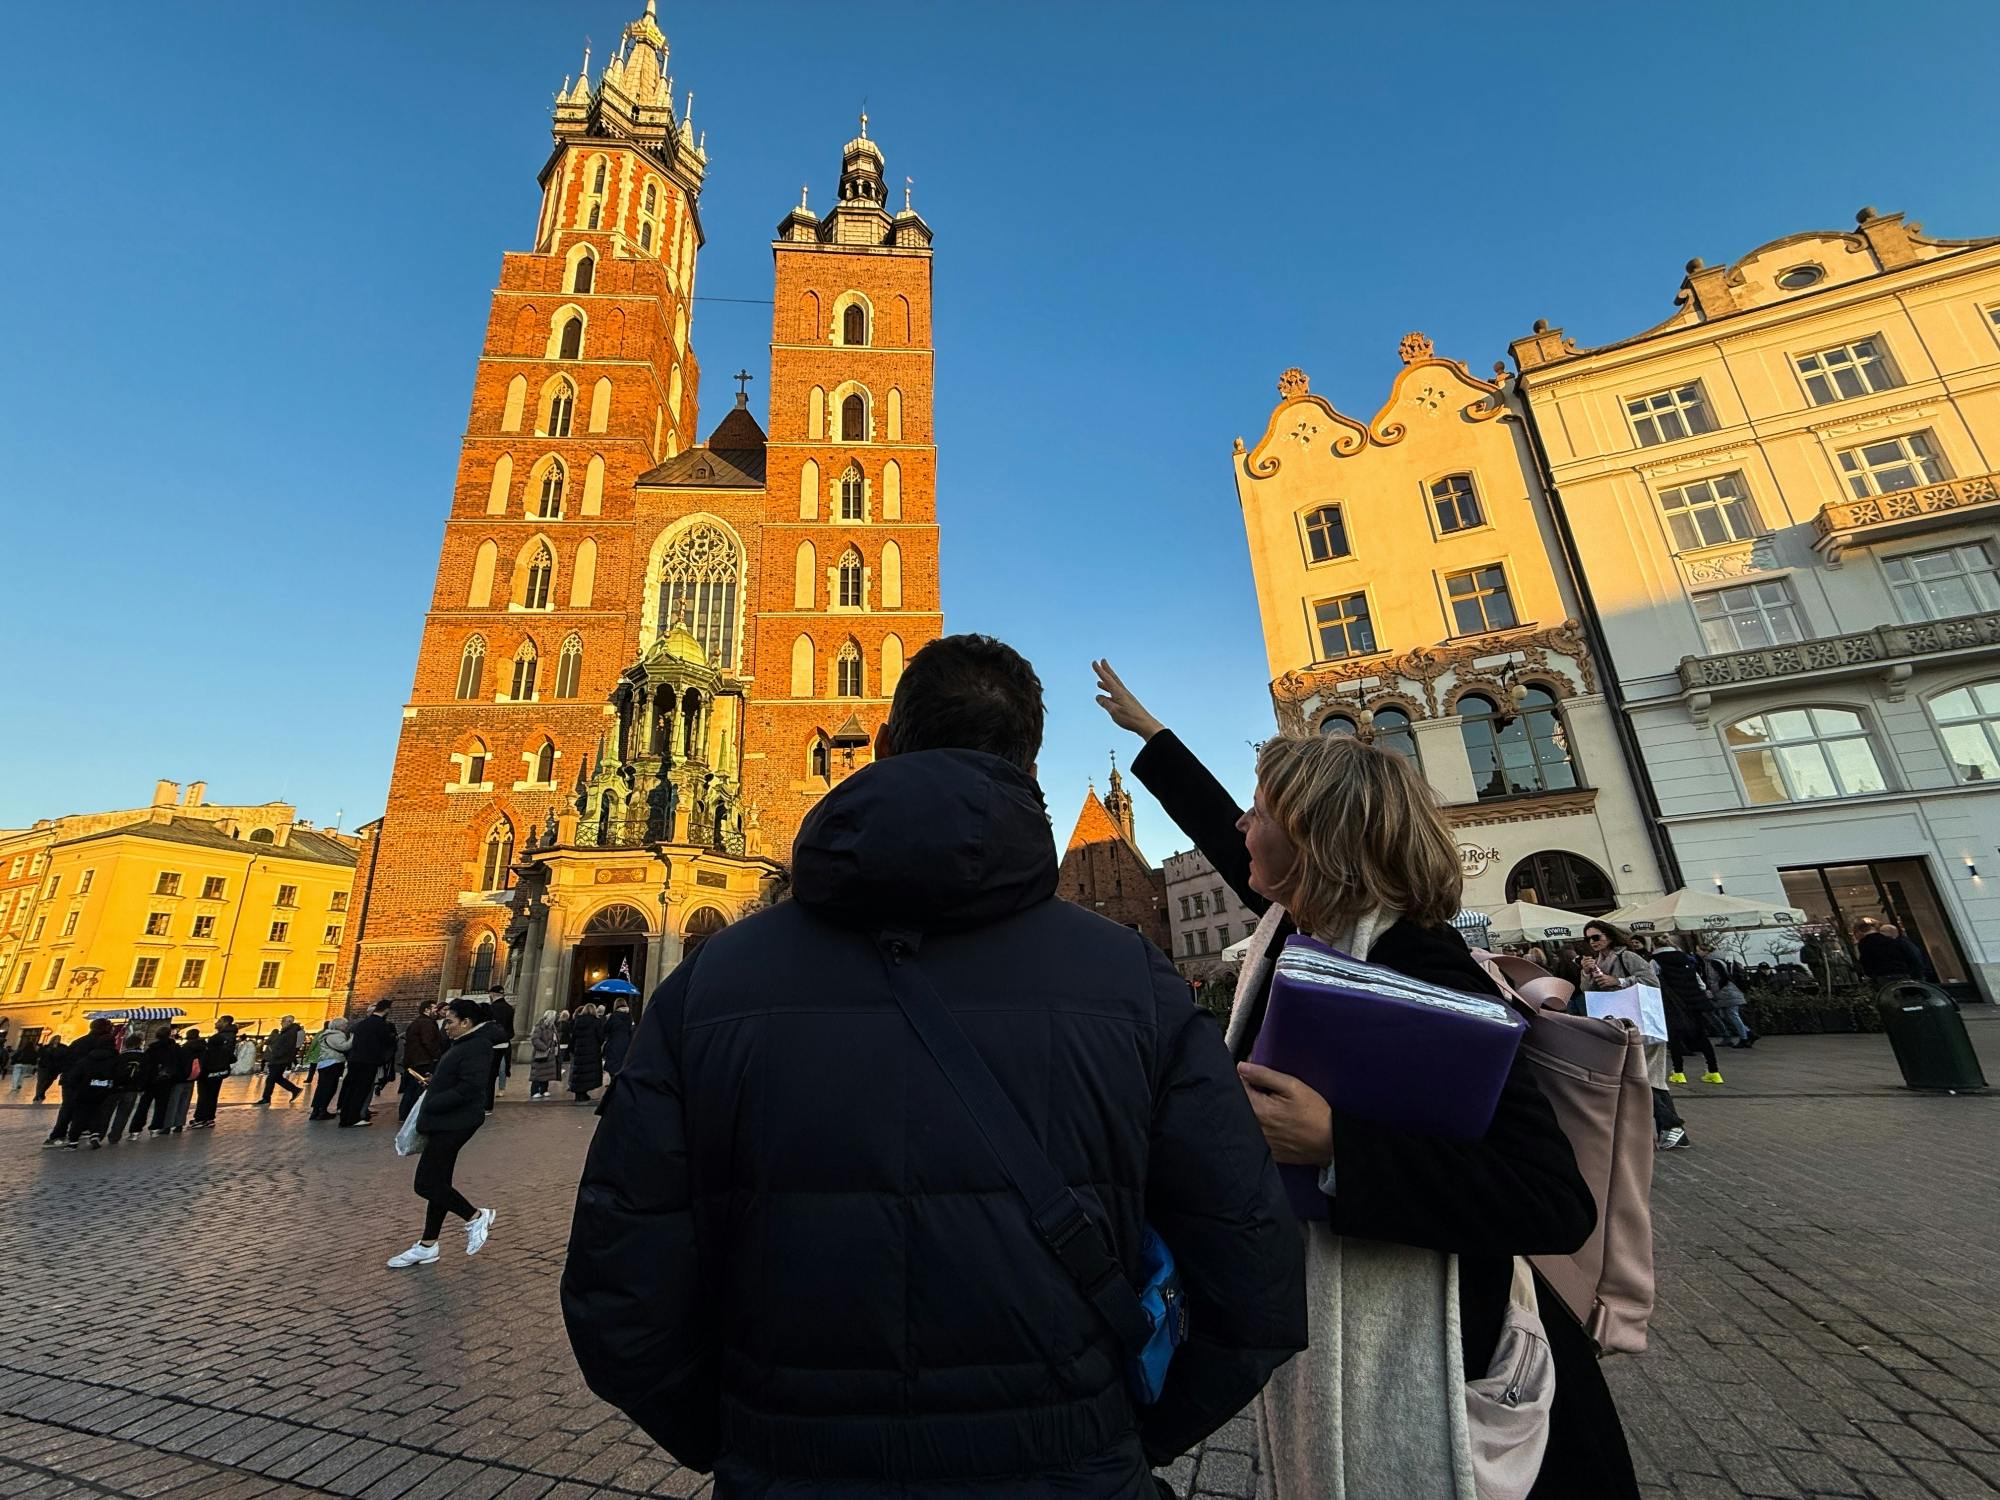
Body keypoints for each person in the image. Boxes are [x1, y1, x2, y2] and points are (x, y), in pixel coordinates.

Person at [563, 635, 1305, 1496]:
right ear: (1028, 763)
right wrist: (1116, 1434)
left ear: (884, 746)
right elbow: (1253, 1278)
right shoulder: (1132, 983)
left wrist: (756, 1441)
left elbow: (619, 1294)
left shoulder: (710, 985)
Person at [1094, 657, 1632, 1500]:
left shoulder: (1419, 960)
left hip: (1450, 1367)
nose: (1241, 829)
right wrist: (1151, 736)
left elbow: (1551, 1199)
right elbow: (1214, 822)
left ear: (1314, 846)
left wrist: (1336, 1144)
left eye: (1263, 815)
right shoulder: (1307, 920)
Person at [386, 996, 499, 1269]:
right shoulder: (464, 1043)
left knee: (425, 1183)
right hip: (448, 1120)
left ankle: (475, 1216)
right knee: (439, 1184)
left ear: (466, 1022)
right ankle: (428, 1244)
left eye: (449, 1021)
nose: (445, 1026)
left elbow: (471, 1086)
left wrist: (435, 1100)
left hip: (454, 1122)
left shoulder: (477, 1046)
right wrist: (436, 1083)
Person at [1651, 937, 1722, 1086]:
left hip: (1672, 1004)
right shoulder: (1686, 959)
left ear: (1653, 945)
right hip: (1695, 1002)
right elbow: (1700, 984)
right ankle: (1714, 1072)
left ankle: (1678, 1072)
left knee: (1675, 1037)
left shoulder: (1655, 961)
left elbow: (1652, 982)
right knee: (1702, 1036)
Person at [44, 1019, 121, 1149]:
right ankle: (59, 1135)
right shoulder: (99, 1044)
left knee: (71, 1107)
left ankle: (68, 1133)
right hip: (83, 1081)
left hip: (73, 1079)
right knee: (75, 1108)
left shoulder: (79, 1041)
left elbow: (67, 1061)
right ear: (105, 1028)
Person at [338, 1000, 397, 1127]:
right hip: (369, 1061)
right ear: (386, 1010)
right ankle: (353, 1118)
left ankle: (345, 1117)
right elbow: (387, 1041)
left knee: (351, 1089)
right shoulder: (381, 1024)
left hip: (355, 1059)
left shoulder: (363, 1023)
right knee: (361, 1089)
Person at [1696, 946, 1754, 1048]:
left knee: (1732, 1015)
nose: (1697, 953)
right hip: (1726, 992)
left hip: (1726, 992)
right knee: (1727, 1015)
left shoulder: (1714, 962)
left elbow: (1724, 977)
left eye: (1699, 950)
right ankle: (1748, 1033)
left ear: (1706, 951)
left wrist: (1715, 989)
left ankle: (1745, 1037)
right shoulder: (1712, 962)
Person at [399, 1000, 445, 1122]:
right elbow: (428, 1041)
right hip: (423, 1060)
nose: (437, 1011)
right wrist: (436, 1056)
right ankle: (412, 1114)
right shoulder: (427, 1023)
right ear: (427, 1010)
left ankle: (405, 1113)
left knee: (411, 1088)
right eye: (434, 1008)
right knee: (418, 1088)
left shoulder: (417, 1022)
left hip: (415, 1060)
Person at [192, 1017, 240, 1128]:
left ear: (225, 1023)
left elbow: (207, 1058)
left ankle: (200, 1118)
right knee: (213, 1095)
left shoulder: (221, 1037)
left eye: (219, 1021)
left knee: (204, 1095)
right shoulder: (230, 1036)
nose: (216, 1023)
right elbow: (232, 1057)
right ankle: (209, 1118)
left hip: (209, 1072)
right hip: (220, 1072)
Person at [139, 1025, 185, 1136]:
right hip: (167, 1081)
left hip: (151, 1081)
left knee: (143, 1106)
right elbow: (180, 1064)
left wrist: (142, 1084)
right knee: (162, 1106)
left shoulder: (152, 1049)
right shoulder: (175, 1048)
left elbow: (145, 1067)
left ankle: (136, 1129)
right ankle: (156, 1127)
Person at [104, 1036, 150, 1144]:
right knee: (123, 1113)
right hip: (132, 1089)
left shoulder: (120, 1056)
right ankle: (115, 1136)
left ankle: (99, 1133)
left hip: (116, 1088)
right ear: (139, 1044)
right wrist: (141, 1087)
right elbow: (145, 1074)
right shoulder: (144, 1057)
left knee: (107, 1112)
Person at [308, 1018, 351, 1121]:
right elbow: (344, 1047)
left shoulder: (327, 1034)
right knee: (328, 1087)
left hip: (326, 1063)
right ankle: (322, 1110)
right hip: (332, 1063)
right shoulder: (335, 1035)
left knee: (322, 1087)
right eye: (345, 1025)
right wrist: (352, 1039)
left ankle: (317, 1110)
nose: (346, 1027)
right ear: (339, 1026)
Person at [483, 984, 516, 1111]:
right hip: (505, 1043)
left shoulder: (491, 1009)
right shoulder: (509, 1008)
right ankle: (500, 1090)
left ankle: (486, 1104)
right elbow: (511, 1030)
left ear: (492, 994)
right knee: (501, 1069)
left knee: (489, 1075)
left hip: (492, 1044)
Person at [259, 1016, 305, 1105]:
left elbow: (285, 1046)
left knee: (271, 1079)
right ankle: (295, 1090)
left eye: (282, 1021)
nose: (281, 1023)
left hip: (280, 1059)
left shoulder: (290, 1033)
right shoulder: (291, 1032)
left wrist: (276, 1055)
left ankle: (266, 1098)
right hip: (282, 1059)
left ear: (288, 1022)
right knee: (276, 1077)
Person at [165, 1027, 202, 1133]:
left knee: (174, 1101)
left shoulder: (185, 1048)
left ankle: (167, 1126)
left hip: (180, 1078)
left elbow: (178, 1063)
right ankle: (179, 1124)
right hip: (193, 1077)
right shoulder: (203, 1047)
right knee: (185, 1101)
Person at [565, 1004, 604, 1103]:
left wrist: (573, 1048)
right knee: (588, 1072)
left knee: (580, 1072)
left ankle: (580, 1093)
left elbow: (574, 1036)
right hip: (591, 1051)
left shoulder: (578, 1021)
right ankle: (583, 1092)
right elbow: (601, 1037)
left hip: (580, 1050)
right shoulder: (596, 1022)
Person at [528, 1010, 561, 1099]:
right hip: (542, 1053)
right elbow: (535, 1039)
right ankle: (534, 1090)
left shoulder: (552, 1027)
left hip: (551, 1053)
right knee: (538, 1072)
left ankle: (544, 1089)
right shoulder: (539, 1027)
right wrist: (545, 1048)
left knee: (547, 1072)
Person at [601, 997, 634, 1077]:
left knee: (613, 1067)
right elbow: (632, 1031)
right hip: (626, 1044)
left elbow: (606, 1029)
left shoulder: (613, 1016)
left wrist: (607, 1019)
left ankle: (613, 1082)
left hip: (614, 1043)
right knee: (622, 1065)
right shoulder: (629, 1017)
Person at [33, 1033, 66, 1104]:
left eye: (59, 1039)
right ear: (53, 1039)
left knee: (48, 1082)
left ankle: (41, 1093)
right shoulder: (46, 1047)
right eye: (56, 1039)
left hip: (55, 1068)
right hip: (43, 1067)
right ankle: (37, 1095)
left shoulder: (63, 1048)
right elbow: (40, 1056)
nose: (58, 1040)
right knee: (41, 1081)